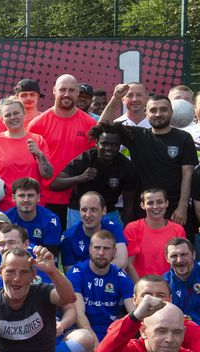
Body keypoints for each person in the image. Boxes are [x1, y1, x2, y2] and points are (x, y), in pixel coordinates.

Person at [100, 86, 197, 224]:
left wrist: (182, 206)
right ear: (146, 112)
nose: (158, 114)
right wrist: (115, 99)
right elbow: (103, 126)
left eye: (163, 109)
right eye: (153, 110)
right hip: (143, 208)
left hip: (173, 209)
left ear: (171, 112)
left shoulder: (184, 138)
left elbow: (188, 175)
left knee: (177, 246)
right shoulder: (136, 135)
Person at [27, 74, 97, 223]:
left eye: (71, 90)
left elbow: (93, 160)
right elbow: (31, 164)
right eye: (62, 89)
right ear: (54, 91)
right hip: (46, 199)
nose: (67, 94)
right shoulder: (37, 125)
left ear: (77, 92)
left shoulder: (90, 124)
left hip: (79, 200)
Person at [49, 121, 137, 227]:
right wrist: (80, 178)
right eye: (104, 144)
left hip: (108, 212)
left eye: (114, 145)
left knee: (116, 242)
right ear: (96, 142)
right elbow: (54, 184)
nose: (108, 148)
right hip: (80, 211)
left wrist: (125, 231)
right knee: (77, 242)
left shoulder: (127, 167)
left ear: (120, 145)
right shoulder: (85, 159)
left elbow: (128, 205)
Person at [0, 98, 54, 212]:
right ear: (1, 119)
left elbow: (48, 175)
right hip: (3, 208)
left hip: (32, 209)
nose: (13, 117)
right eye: (7, 115)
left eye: (16, 113)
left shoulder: (37, 140)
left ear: (24, 113)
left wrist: (39, 154)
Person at [66, 230, 135, 340]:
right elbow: (79, 314)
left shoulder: (120, 276)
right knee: (83, 339)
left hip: (110, 332)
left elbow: (134, 312)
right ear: (89, 249)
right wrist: (95, 345)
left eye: (106, 249)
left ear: (114, 252)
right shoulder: (77, 273)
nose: (101, 253)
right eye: (97, 248)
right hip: (82, 331)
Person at [124, 188, 185, 281]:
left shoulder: (178, 230)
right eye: (150, 203)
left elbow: (181, 262)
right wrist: (141, 288)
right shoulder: (132, 228)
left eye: (160, 202)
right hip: (141, 286)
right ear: (142, 205)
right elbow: (128, 264)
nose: (155, 206)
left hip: (170, 287)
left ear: (167, 203)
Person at [59, 191, 128, 272]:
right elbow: (70, 274)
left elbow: (122, 262)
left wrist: (94, 275)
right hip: (82, 284)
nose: (88, 215)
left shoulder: (114, 227)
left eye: (93, 210)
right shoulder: (68, 237)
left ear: (104, 210)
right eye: (84, 210)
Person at [4, 177, 62, 255]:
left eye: (30, 195)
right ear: (13, 198)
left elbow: (50, 253)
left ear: (38, 198)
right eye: (21, 195)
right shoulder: (6, 218)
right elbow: (4, 248)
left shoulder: (51, 220)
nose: (26, 200)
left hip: (41, 262)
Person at [164, 237, 200, 322]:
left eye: (184, 254)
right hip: (177, 332)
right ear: (167, 259)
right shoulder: (164, 284)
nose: (179, 260)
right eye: (173, 256)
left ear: (194, 255)